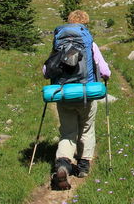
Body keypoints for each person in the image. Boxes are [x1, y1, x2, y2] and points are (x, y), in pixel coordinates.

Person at [45, 10, 111, 190]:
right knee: (87, 129)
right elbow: (105, 70)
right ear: (84, 25)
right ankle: (83, 166)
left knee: (67, 132)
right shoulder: (89, 43)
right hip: (86, 94)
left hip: (63, 93)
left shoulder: (58, 44)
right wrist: (105, 77)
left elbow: (46, 70)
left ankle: (63, 165)